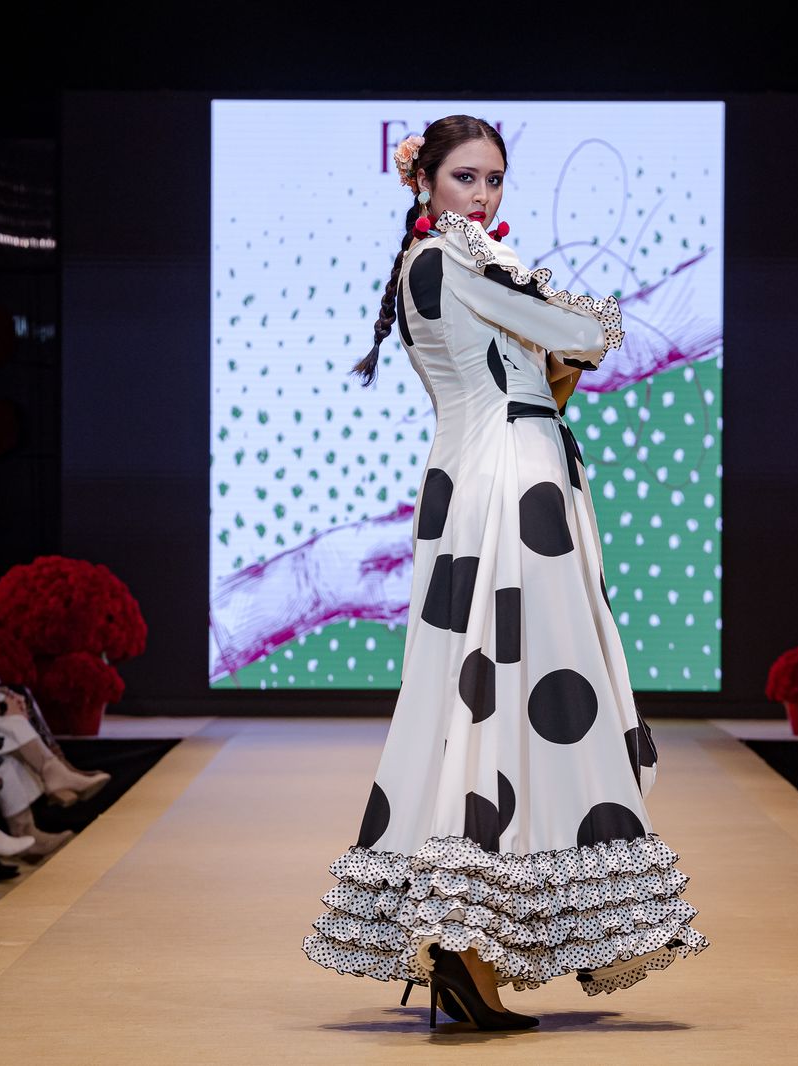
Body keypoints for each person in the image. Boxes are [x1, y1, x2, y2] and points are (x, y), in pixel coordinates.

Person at [300, 116, 707, 1031]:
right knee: (513, 699)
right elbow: (587, 335)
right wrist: (565, 327)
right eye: (465, 178)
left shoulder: (449, 267)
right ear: (425, 184)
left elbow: (545, 368)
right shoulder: (446, 264)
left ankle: (468, 942)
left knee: (492, 703)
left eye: (493, 179)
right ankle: (461, 937)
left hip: (495, 481)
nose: (482, 195)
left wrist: (548, 347)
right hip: (510, 490)